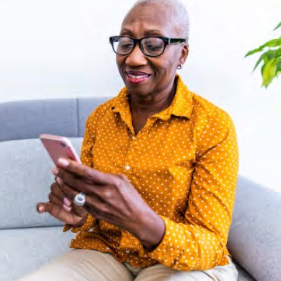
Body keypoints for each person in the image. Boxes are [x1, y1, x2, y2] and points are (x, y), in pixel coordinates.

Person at [19, 0, 239, 280]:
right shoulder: (100, 118)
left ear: (182, 54)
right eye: (126, 42)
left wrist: (143, 222)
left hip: (181, 263)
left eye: (153, 44)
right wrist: (78, 208)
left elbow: (211, 244)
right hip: (109, 253)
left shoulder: (213, 125)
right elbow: (88, 204)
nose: (133, 58)